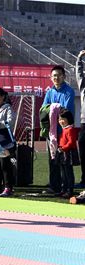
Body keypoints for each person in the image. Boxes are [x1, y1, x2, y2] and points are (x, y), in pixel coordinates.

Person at [42, 65, 75, 195]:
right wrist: (54, 108)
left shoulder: (69, 91)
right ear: (51, 77)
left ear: (64, 76)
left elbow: (65, 111)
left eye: (59, 75)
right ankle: (54, 186)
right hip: (52, 131)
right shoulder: (49, 92)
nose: (56, 77)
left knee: (65, 161)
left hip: (64, 130)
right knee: (53, 159)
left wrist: (53, 108)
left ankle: (67, 187)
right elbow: (44, 109)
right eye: (54, 75)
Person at [0, 88, 17, 197]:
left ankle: (8, 187)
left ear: (2, 97)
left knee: (5, 165)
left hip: (4, 139)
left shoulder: (7, 108)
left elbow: (10, 122)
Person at [56, 109, 79, 199]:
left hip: (67, 153)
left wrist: (63, 148)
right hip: (62, 152)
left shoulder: (70, 129)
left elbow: (71, 142)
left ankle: (70, 190)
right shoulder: (64, 129)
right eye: (59, 119)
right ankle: (64, 189)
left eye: (63, 119)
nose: (60, 121)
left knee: (68, 173)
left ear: (68, 119)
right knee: (63, 172)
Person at [76, 50, 85, 188]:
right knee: (83, 150)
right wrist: (79, 59)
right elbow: (79, 74)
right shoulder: (84, 87)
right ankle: (84, 179)